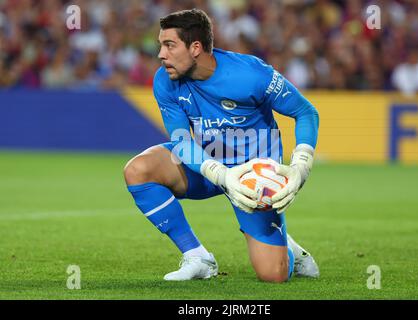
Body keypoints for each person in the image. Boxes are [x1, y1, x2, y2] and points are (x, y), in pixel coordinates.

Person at [124, 9, 320, 283]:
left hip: (254, 179)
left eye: (169, 45)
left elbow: (306, 112)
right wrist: (220, 173)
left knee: (273, 275)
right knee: (139, 170)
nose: (161, 54)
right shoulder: (165, 81)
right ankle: (198, 257)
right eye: (161, 45)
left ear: (195, 48)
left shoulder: (251, 74)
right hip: (206, 166)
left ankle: (289, 247)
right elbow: (181, 140)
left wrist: (301, 165)